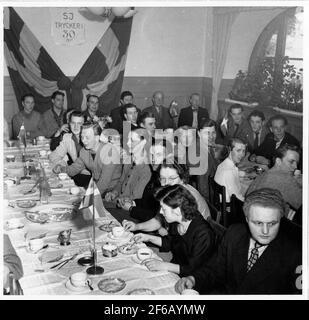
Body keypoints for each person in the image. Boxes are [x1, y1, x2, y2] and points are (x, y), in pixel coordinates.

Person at [175, 188, 302, 294]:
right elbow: (215, 268)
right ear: (247, 219)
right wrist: (194, 279)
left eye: (272, 223)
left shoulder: (296, 255)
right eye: (258, 223)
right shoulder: (234, 233)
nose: (265, 231)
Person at [133, 184, 216, 276]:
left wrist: (164, 266)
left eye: (163, 209)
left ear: (177, 211)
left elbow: (193, 269)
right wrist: (147, 237)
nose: (160, 212)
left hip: (191, 279)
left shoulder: (203, 234)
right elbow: (170, 242)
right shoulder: (177, 221)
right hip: (175, 266)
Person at [122, 162, 211, 235]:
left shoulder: (184, 196)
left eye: (172, 178)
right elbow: (158, 220)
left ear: (183, 178)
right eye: (163, 178)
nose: (166, 183)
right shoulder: (172, 193)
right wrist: (136, 226)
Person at [54, 122, 122, 195]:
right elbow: (74, 169)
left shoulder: (110, 152)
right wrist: (61, 169)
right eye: (82, 137)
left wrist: (88, 197)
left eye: (87, 137)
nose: (83, 141)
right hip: (96, 188)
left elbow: (104, 183)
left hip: (113, 192)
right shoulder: (84, 151)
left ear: (97, 137)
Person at [118, 141, 174, 221]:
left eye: (158, 155)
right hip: (142, 217)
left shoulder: (170, 180)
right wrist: (133, 202)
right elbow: (148, 202)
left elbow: (158, 217)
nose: (153, 159)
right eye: (151, 155)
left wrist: (131, 208)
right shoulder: (155, 174)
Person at [247, 144, 302, 212]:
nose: (295, 167)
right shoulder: (286, 180)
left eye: (296, 163)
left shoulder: (263, 174)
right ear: (278, 161)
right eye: (291, 162)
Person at [105, 128, 152, 203]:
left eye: (132, 141)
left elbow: (136, 197)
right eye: (127, 140)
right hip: (120, 201)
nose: (127, 143)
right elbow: (121, 182)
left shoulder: (146, 169)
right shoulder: (129, 160)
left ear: (143, 142)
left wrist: (117, 201)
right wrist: (114, 193)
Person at [49, 111, 91, 188]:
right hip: (76, 174)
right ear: (69, 123)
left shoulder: (90, 139)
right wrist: (61, 163)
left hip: (92, 178)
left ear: (85, 124)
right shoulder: (67, 137)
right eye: (73, 123)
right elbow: (53, 156)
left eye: (79, 124)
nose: (75, 127)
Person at [196, 119, 222, 201]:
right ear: (199, 134)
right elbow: (203, 189)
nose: (211, 136)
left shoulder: (207, 146)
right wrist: (210, 208)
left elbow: (215, 165)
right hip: (209, 198)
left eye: (213, 132)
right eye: (207, 133)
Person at [214, 137, 246, 202]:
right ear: (229, 150)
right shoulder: (229, 171)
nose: (242, 155)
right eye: (238, 150)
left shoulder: (222, 164)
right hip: (229, 207)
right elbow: (237, 198)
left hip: (224, 202)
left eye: (243, 151)